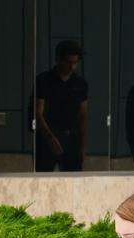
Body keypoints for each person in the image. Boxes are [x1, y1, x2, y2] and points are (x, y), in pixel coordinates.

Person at [34, 40, 88, 172]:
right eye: (68, 62)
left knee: (74, 183)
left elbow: (83, 115)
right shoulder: (44, 80)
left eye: (75, 63)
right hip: (47, 139)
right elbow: (37, 112)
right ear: (58, 60)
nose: (71, 67)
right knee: (43, 182)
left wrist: (82, 147)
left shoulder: (80, 83)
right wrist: (50, 137)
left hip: (71, 139)